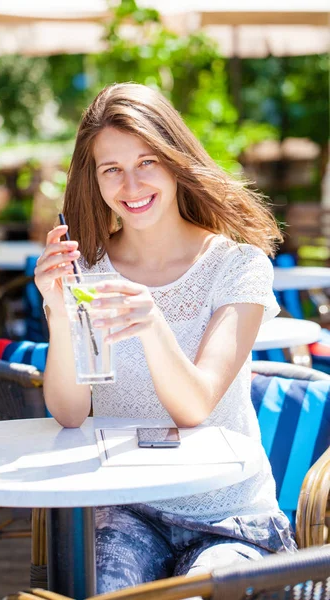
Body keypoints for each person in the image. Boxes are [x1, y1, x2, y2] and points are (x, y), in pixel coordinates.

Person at [34, 82, 297, 592]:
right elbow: (69, 412)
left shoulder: (237, 266)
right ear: (95, 180)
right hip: (126, 509)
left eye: (147, 162)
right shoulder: (86, 269)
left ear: (176, 161)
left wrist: (151, 322)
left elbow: (194, 405)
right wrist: (59, 312)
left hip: (230, 512)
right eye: (112, 169)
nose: (130, 185)